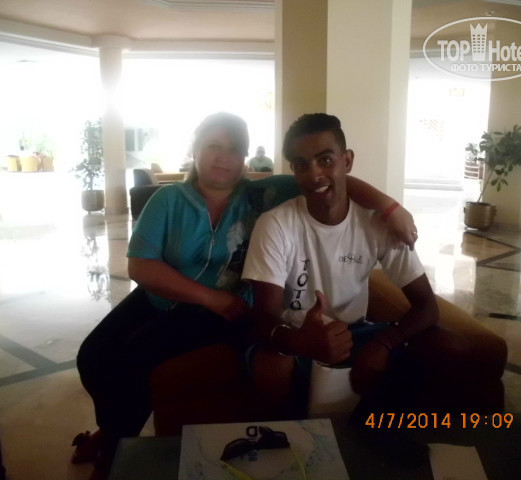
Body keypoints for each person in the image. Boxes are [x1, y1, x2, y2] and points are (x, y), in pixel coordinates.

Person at [74, 112, 417, 479]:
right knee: (92, 356)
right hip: (164, 298)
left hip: (224, 315)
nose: (223, 157)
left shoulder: (263, 193)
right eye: (213, 146)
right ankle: (110, 430)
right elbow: (141, 266)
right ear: (195, 150)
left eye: (234, 149)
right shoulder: (168, 200)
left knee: (131, 365)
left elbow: (335, 180)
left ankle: (111, 454)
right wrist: (211, 297)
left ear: (244, 157)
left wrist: (390, 207)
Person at [241, 114, 492, 464]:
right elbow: (263, 320)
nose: (314, 175)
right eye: (301, 165)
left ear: (347, 161)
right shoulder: (276, 224)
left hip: (357, 334)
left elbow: (426, 307)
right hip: (294, 336)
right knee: (272, 367)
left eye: (325, 160)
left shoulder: (377, 225)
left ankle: (383, 438)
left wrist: (383, 343)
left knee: (450, 348)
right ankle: (291, 449)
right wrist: (303, 341)